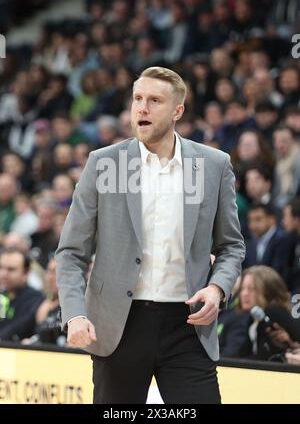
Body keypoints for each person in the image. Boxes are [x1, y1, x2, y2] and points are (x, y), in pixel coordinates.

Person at [56, 66, 245, 404]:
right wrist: (74, 313)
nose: (141, 108)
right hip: (118, 326)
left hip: (188, 326)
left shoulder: (214, 165)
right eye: (138, 99)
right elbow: (71, 252)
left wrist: (218, 288)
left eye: (154, 100)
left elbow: (231, 247)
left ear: (178, 111)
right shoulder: (102, 163)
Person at [0, 247, 44, 341]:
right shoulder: (2, 296)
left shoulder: (35, 299)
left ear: (26, 273)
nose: (3, 274)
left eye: (11, 269)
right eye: (1, 268)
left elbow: (18, 329)